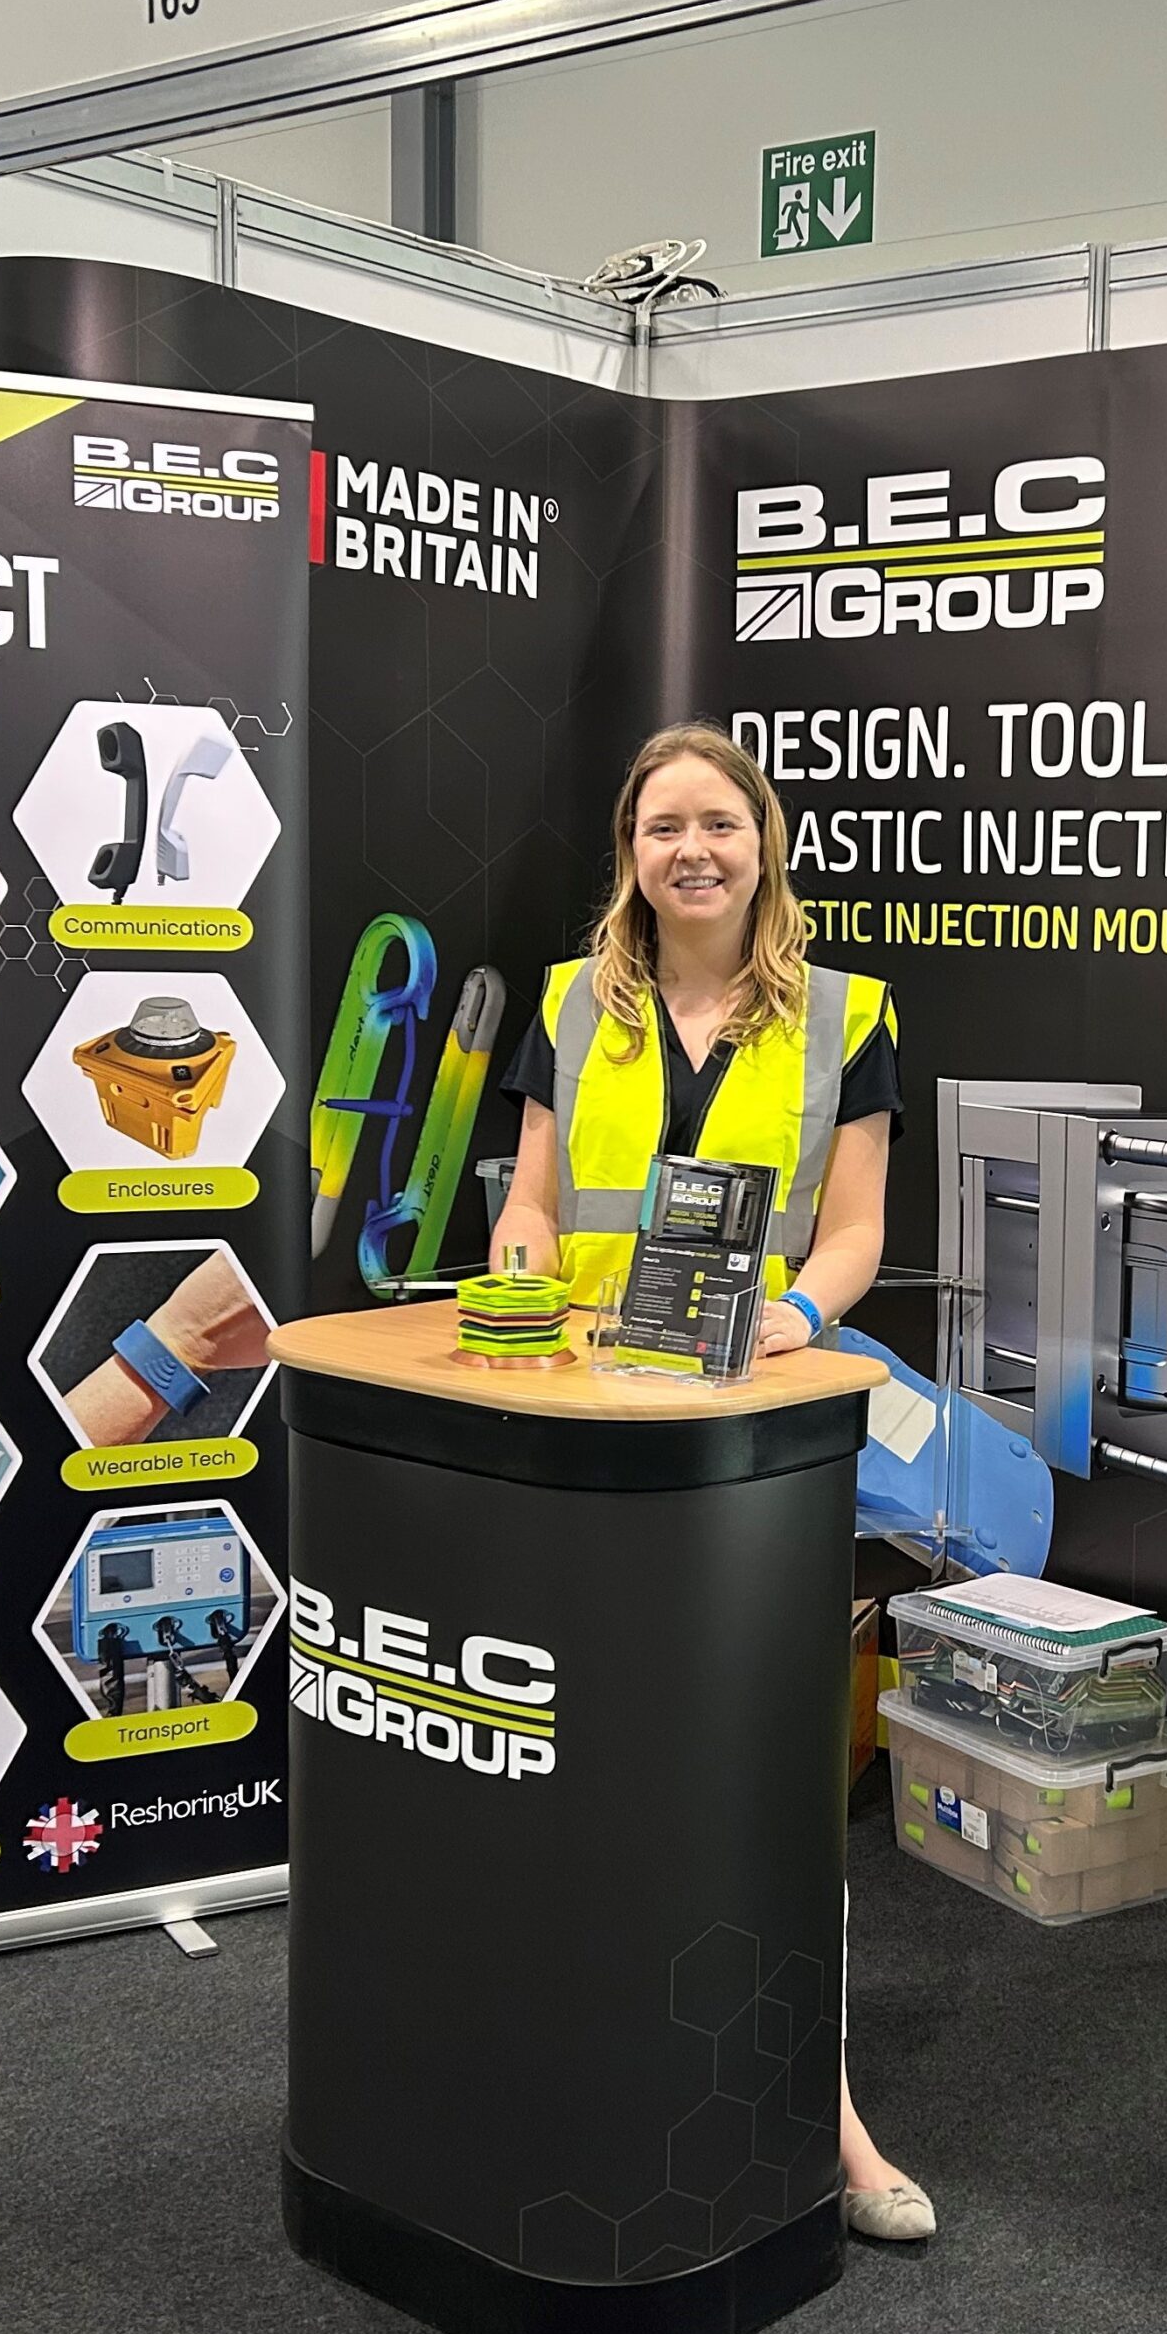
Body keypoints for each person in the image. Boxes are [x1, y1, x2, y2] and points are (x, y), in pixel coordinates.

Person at [490, 721, 934, 2243]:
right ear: (631, 850)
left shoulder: (848, 1013)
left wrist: (791, 1319)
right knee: (590, 1787)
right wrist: (521, 1269)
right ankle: (583, 2075)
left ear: (763, 843)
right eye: (663, 824)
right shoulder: (566, 1003)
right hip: (581, 1449)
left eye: (720, 825)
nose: (693, 849)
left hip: (756, 1453)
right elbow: (535, 1203)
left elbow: (858, 1232)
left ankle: (828, 2111)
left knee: (763, 1794)